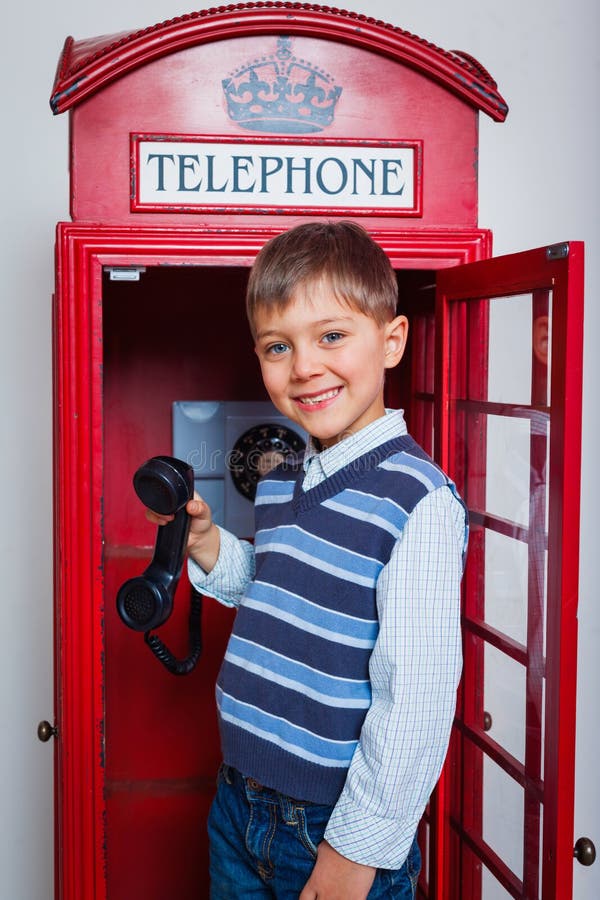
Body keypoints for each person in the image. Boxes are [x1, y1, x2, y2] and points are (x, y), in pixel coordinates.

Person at [147, 221, 467, 899]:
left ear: (391, 340)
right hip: (238, 800)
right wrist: (209, 548)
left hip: (329, 824)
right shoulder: (284, 478)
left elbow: (416, 697)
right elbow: (275, 589)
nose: (304, 368)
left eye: (330, 336)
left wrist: (358, 849)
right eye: (277, 346)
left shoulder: (417, 498)